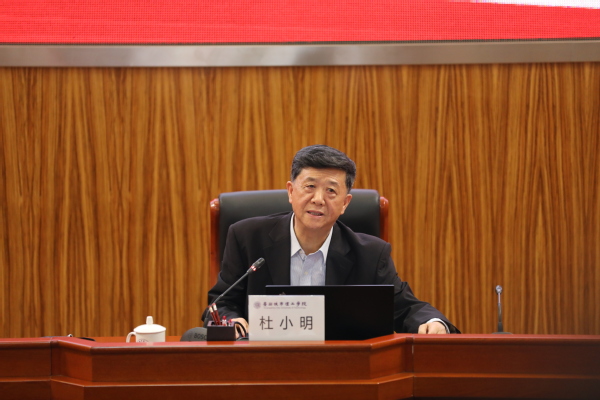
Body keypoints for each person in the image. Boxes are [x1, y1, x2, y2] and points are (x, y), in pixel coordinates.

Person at [206, 144, 459, 335]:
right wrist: (230, 322)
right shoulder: (247, 237)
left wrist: (433, 322)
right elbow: (221, 304)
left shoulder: (370, 254)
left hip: (342, 369)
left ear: (345, 203)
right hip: (264, 366)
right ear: (291, 192)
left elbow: (404, 307)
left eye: (331, 190)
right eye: (309, 187)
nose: (318, 199)